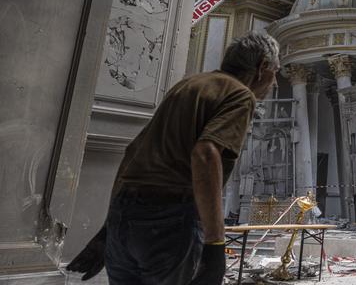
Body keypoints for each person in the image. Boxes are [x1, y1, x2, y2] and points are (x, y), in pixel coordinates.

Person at [67, 31, 280, 284]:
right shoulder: (240, 94)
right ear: (263, 67)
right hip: (170, 219)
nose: (274, 83)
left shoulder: (189, 84)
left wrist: (107, 228)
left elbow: (132, 152)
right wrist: (215, 244)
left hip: (124, 213)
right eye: (275, 73)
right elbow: (205, 154)